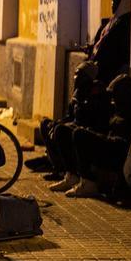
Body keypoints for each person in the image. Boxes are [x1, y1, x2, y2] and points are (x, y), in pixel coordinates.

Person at [55, 74, 131, 198]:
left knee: (79, 134)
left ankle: (89, 183)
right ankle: (72, 176)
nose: (113, 100)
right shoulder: (116, 110)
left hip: (120, 154)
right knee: (63, 130)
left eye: (115, 96)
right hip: (110, 146)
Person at [45, 62, 111, 191]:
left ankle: (84, 179)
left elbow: (93, 120)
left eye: (80, 75)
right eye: (75, 74)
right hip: (77, 125)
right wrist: (60, 122)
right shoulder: (78, 92)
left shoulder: (97, 93)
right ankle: (62, 171)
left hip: (89, 130)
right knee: (48, 125)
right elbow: (71, 115)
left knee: (65, 132)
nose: (76, 77)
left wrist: (69, 124)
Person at [86, 0, 131, 84]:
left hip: (110, 72)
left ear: (125, 3)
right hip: (98, 68)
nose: (112, 4)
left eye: (116, 1)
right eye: (112, 1)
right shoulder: (110, 21)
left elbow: (118, 50)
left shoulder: (125, 25)